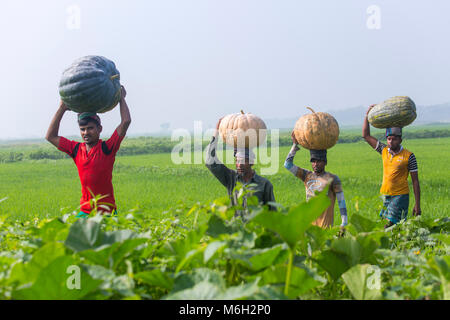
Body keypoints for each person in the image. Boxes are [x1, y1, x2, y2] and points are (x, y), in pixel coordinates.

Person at [45, 86, 131, 217]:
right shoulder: (75, 149)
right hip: (85, 212)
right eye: (82, 129)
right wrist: (61, 109)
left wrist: (121, 99)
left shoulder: (107, 148)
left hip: (107, 213)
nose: (86, 133)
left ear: (99, 129)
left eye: (90, 128)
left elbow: (125, 121)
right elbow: (50, 136)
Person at [362, 105, 421, 228]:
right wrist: (367, 115)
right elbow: (366, 136)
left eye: (393, 139)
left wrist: (417, 204)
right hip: (385, 195)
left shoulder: (409, 156)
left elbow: (415, 181)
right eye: (388, 139)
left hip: (400, 195)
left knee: (390, 226)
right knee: (389, 225)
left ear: (400, 140)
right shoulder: (384, 150)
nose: (390, 142)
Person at [205, 118, 276, 217]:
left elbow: (273, 213)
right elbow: (210, 162)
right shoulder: (231, 178)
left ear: (252, 162)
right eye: (237, 161)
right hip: (236, 230)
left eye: (243, 161)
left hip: (256, 231)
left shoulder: (264, 184)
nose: (239, 165)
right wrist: (216, 133)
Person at [284, 133, 348, 229]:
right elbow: (287, 165)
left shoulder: (333, 179)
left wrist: (344, 223)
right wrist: (294, 145)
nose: (315, 164)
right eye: (313, 161)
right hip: (308, 228)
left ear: (325, 162)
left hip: (324, 229)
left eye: (319, 161)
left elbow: (341, 201)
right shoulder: (306, 175)